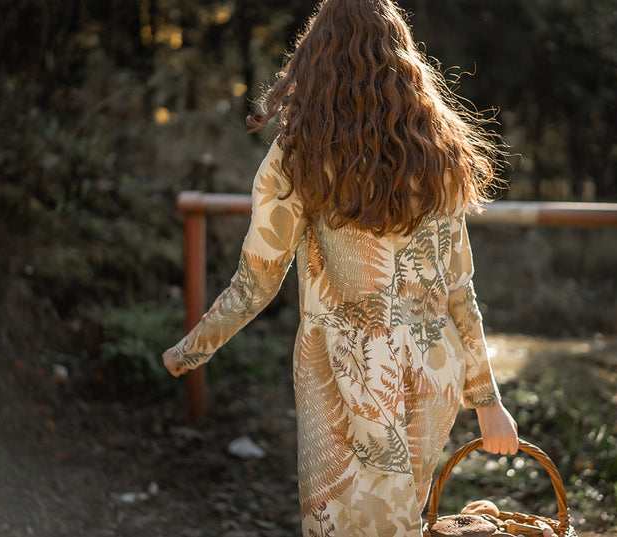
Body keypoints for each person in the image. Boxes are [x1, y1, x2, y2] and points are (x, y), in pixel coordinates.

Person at [162, 0, 518, 535]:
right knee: (399, 522)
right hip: (432, 374)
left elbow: (256, 280)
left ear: (316, 58)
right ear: (403, 58)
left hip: (348, 379)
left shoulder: (300, 154)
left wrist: (190, 349)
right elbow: (459, 289)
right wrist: (487, 401)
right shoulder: (436, 149)